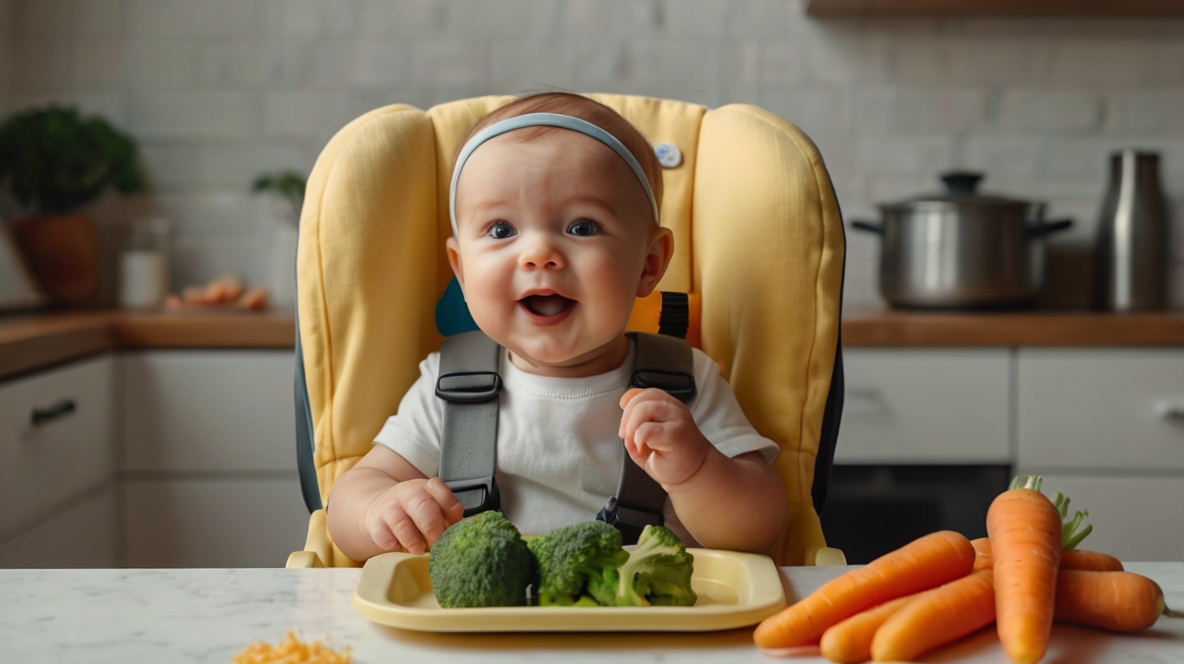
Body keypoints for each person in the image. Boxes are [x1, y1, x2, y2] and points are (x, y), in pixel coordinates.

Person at [326, 92, 787, 561]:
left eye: (583, 227)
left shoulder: (686, 383)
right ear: (461, 270)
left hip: (643, 628)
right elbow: (347, 502)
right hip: (479, 631)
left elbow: (759, 529)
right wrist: (379, 511)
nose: (539, 253)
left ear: (649, 265)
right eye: (502, 229)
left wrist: (697, 469)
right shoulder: (448, 385)